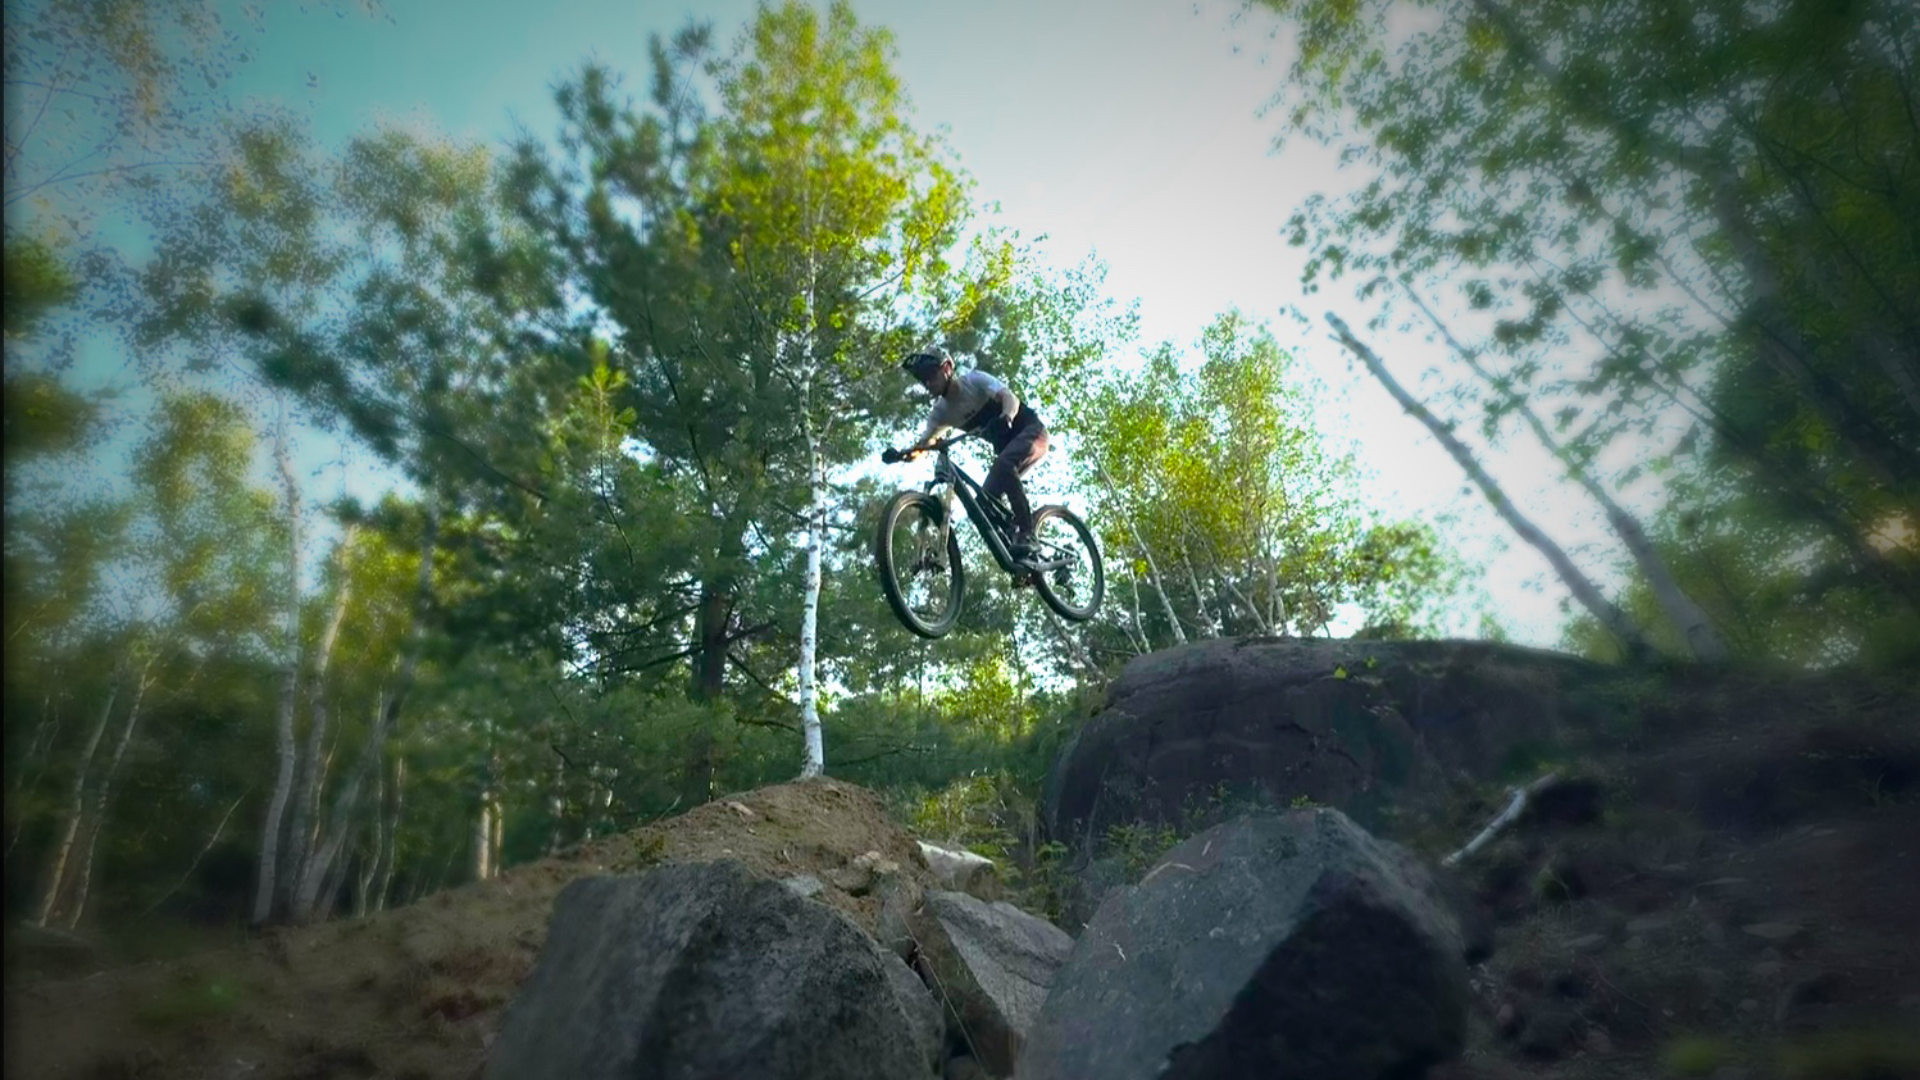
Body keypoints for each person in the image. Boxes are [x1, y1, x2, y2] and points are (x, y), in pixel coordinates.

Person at [891, 345, 1049, 560]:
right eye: (923, 380)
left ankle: (1028, 533)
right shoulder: (941, 412)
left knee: (1004, 464)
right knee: (982, 506)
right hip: (1007, 454)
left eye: (931, 375)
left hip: (1032, 433)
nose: (928, 383)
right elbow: (924, 445)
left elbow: (1009, 398)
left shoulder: (974, 381)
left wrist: (1007, 417)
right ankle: (1021, 559)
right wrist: (902, 455)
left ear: (947, 368)